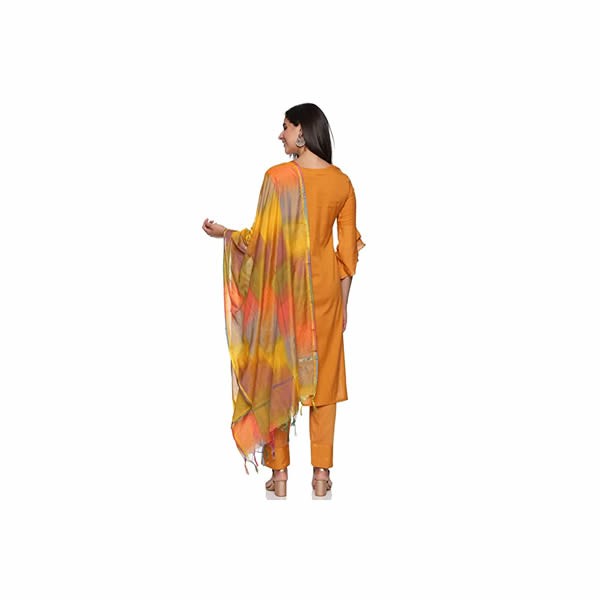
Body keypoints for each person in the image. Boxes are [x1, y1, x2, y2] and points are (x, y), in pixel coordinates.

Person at [202, 103, 364, 497]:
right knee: (324, 383)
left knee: (279, 376)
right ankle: (321, 476)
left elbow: (261, 242)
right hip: (325, 294)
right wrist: (342, 305)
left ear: (303, 132)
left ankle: (280, 475)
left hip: (284, 296)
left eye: (286, 127)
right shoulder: (342, 183)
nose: (281, 135)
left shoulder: (277, 179)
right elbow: (347, 255)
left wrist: (226, 234)